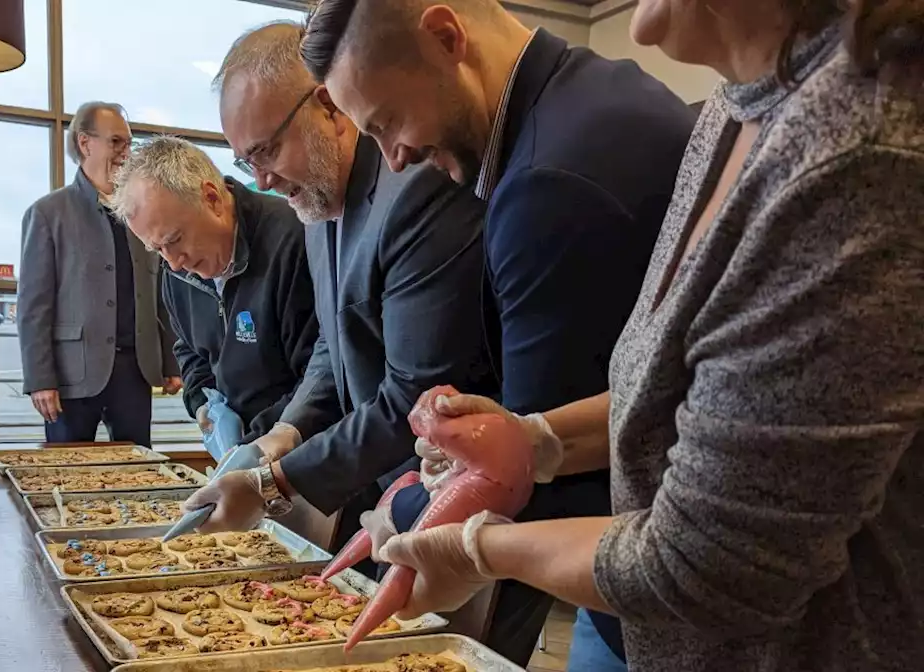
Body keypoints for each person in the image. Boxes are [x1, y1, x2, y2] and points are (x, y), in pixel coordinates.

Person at [348, 2, 924, 671]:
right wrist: (537, 440)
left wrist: (479, 550)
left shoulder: (857, 150)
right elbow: (696, 404)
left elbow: (712, 565)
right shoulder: (735, 107)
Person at [299, 1, 695, 666]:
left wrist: (405, 512)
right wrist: (523, 435)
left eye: (388, 122)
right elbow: (650, 395)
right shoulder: (591, 93)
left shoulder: (548, 182)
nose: (394, 159)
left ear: (447, 36)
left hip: (669, 591)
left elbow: (535, 495)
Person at [182, 21, 494, 558]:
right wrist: (287, 431)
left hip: (467, 485)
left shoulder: (417, 190)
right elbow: (334, 344)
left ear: (326, 105)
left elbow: (411, 396)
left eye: (267, 150)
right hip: (392, 483)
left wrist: (275, 481)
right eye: (245, 162)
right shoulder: (318, 203)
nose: (261, 181)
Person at [110, 137, 318, 444]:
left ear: (211, 198)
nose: (175, 263)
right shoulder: (176, 268)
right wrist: (202, 403)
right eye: (157, 249)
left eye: (175, 239)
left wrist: (256, 446)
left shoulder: (293, 240)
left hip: (304, 448)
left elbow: (319, 376)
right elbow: (189, 347)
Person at [17, 101, 181, 447]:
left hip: (135, 373)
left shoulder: (140, 212)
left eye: (129, 143)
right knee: (67, 474)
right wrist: (40, 379)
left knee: (140, 475)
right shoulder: (48, 214)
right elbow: (34, 307)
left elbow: (160, 293)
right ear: (84, 143)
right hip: (70, 376)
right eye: (117, 142)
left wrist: (171, 362)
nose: (126, 153)